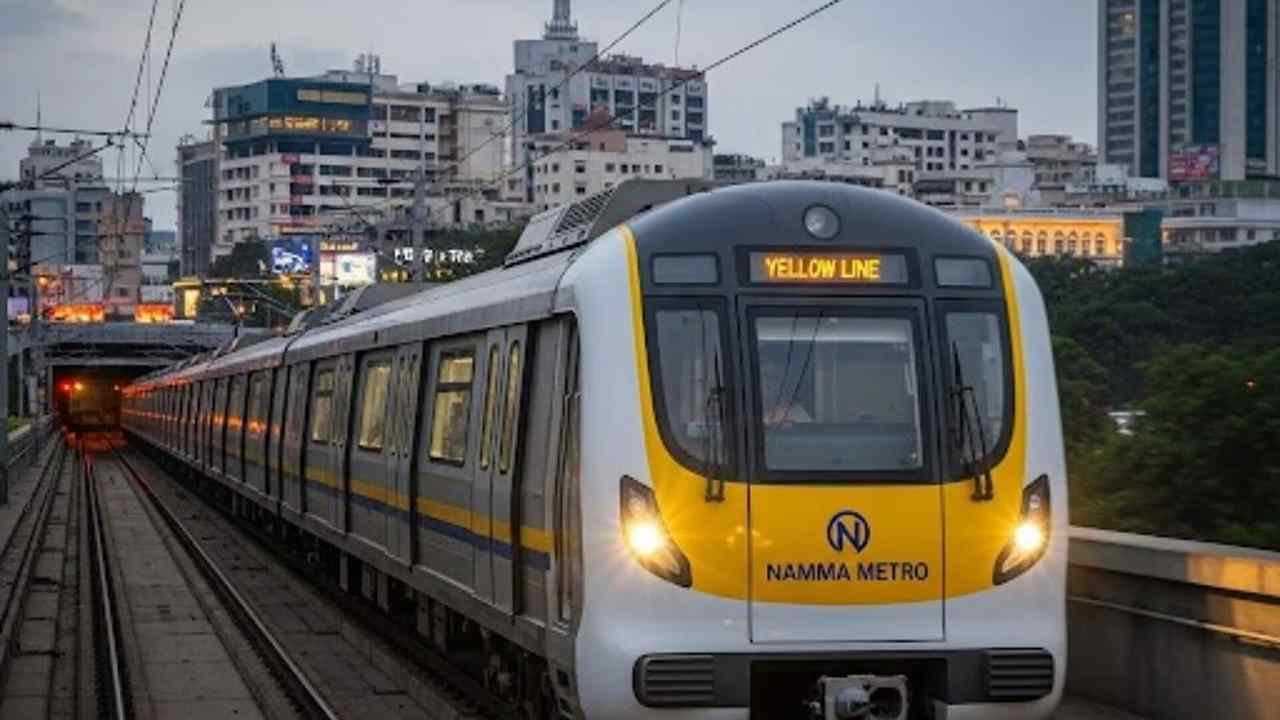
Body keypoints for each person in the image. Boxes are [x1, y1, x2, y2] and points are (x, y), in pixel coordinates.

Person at [760, 357, 813, 427]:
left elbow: (807, 435)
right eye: (762, 376)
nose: (767, 383)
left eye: (772, 377)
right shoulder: (746, 411)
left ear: (782, 383)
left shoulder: (796, 413)